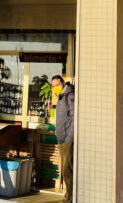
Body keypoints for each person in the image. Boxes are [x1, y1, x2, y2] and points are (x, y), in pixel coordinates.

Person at [52, 75, 74, 203]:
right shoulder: (60, 97)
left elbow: (75, 118)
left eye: (57, 85)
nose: (55, 88)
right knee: (66, 172)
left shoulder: (69, 96)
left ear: (63, 83)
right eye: (53, 86)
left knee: (67, 171)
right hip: (61, 140)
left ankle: (69, 199)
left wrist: (69, 139)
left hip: (67, 141)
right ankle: (69, 197)